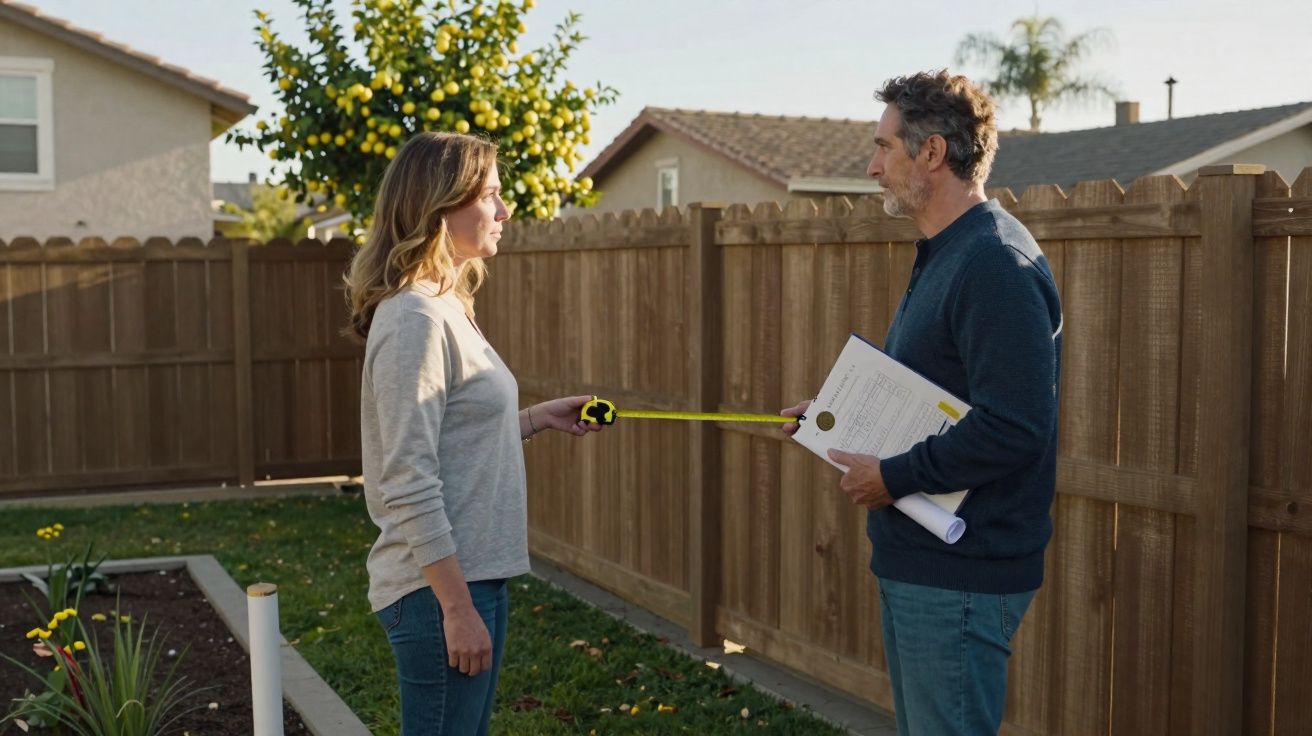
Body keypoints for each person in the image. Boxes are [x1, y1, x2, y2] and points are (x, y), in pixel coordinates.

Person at [781, 71, 1063, 736]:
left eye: (884, 148)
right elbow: (942, 397)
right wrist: (834, 422)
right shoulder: (949, 254)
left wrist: (895, 477)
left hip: (963, 576)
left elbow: (1015, 427)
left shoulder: (996, 264)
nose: (873, 166)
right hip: (928, 567)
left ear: (931, 153)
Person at [344, 131, 602, 736]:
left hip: (471, 576)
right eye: (490, 196)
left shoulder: (444, 307)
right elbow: (407, 479)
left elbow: (447, 438)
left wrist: (535, 419)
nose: (505, 212)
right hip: (438, 590)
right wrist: (456, 610)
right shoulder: (413, 318)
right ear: (440, 209)